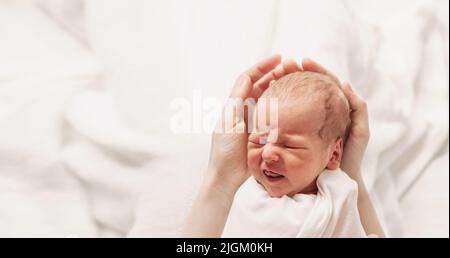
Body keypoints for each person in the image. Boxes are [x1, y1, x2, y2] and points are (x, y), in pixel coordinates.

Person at [183, 55, 385, 237]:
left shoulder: (339, 198)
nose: (268, 153)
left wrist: (351, 173)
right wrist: (221, 178)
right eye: (259, 140)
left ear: (333, 154)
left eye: (290, 146)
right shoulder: (242, 194)